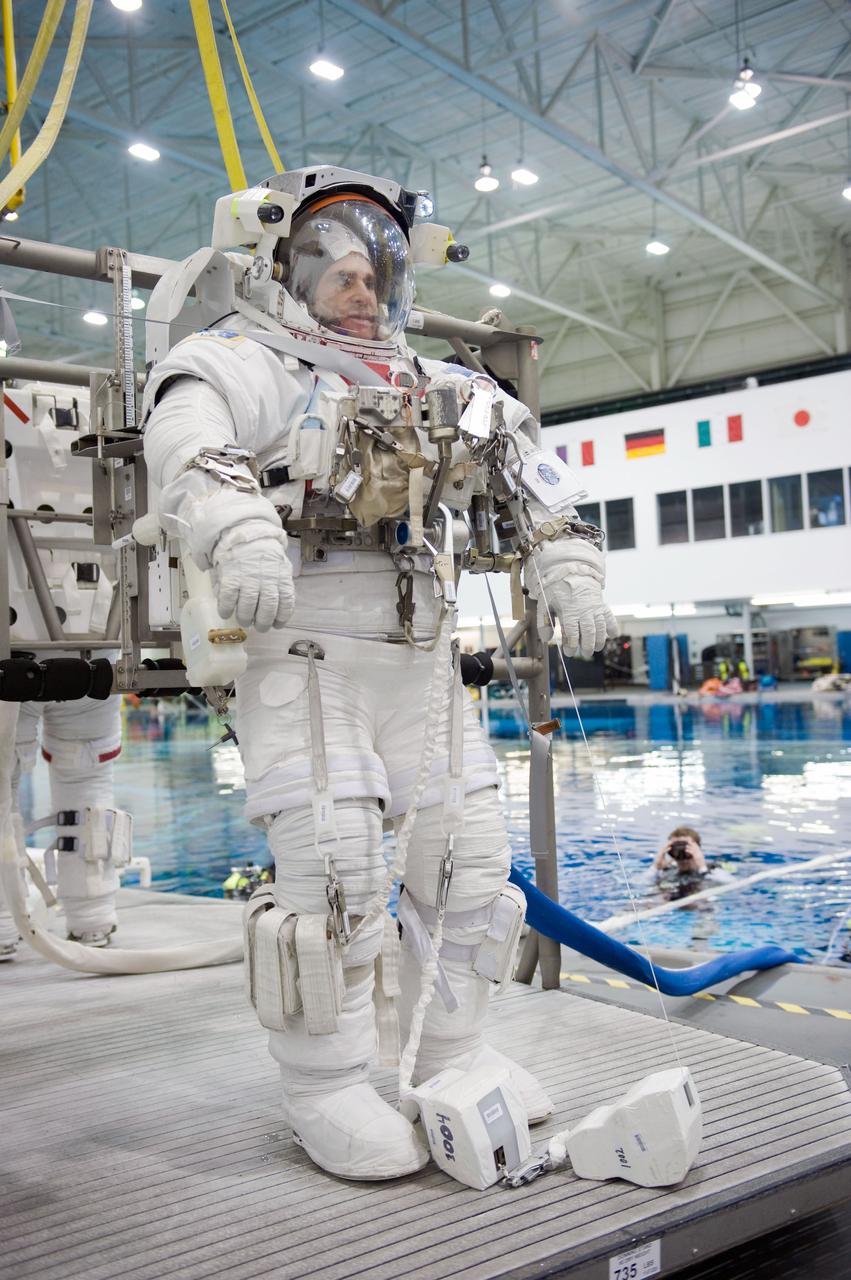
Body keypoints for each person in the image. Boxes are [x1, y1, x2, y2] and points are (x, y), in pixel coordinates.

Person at [142, 166, 618, 1180]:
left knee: (469, 866)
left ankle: (449, 1052)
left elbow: (535, 475)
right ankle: (327, 1082)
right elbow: (186, 442)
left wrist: (566, 559)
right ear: (286, 270)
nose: (359, 290)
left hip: (422, 660)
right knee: (338, 873)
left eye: (375, 271)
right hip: (305, 656)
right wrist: (237, 529)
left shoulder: (438, 381)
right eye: (337, 270)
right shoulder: (237, 359)